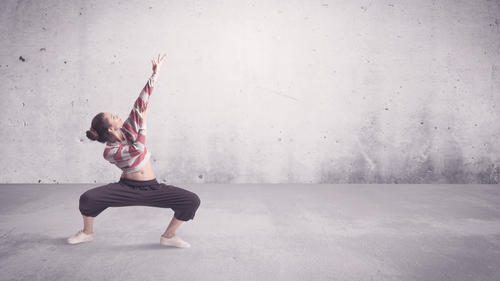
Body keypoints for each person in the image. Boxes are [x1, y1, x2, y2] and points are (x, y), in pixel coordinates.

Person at [67, 54, 200, 248]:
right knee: (88, 198)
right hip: (125, 190)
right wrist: (144, 123)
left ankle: (169, 236)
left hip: (153, 187)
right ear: (110, 129)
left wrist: (154, 75)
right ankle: (87, 233)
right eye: (114, 117)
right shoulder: (109, 152)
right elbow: (137, 149)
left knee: (191, 200)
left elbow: (140, 103)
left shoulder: (129, 129)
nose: (118, 115)